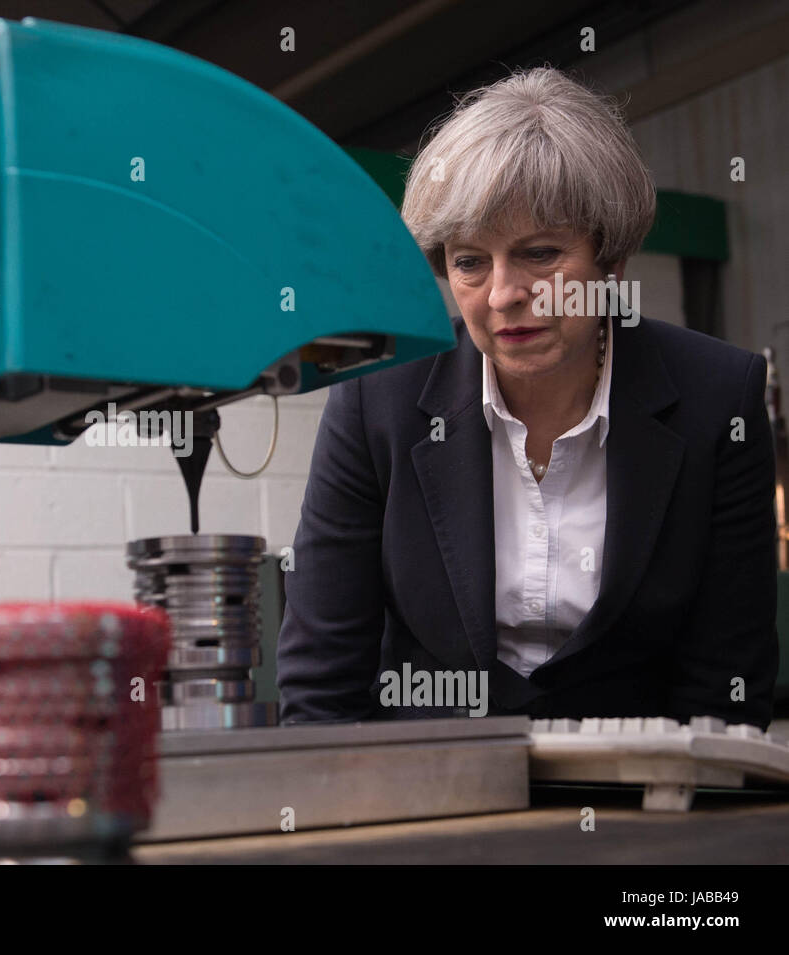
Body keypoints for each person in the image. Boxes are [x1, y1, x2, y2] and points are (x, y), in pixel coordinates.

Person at [276, 67, 778, 728]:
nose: (503, 294)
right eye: (469, 261)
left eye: (539, 253)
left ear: (613, 259)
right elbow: (321, 685)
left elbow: (726, 688)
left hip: (646, 799)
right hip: (434, 795)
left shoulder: (719, 398)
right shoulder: (376, 401)